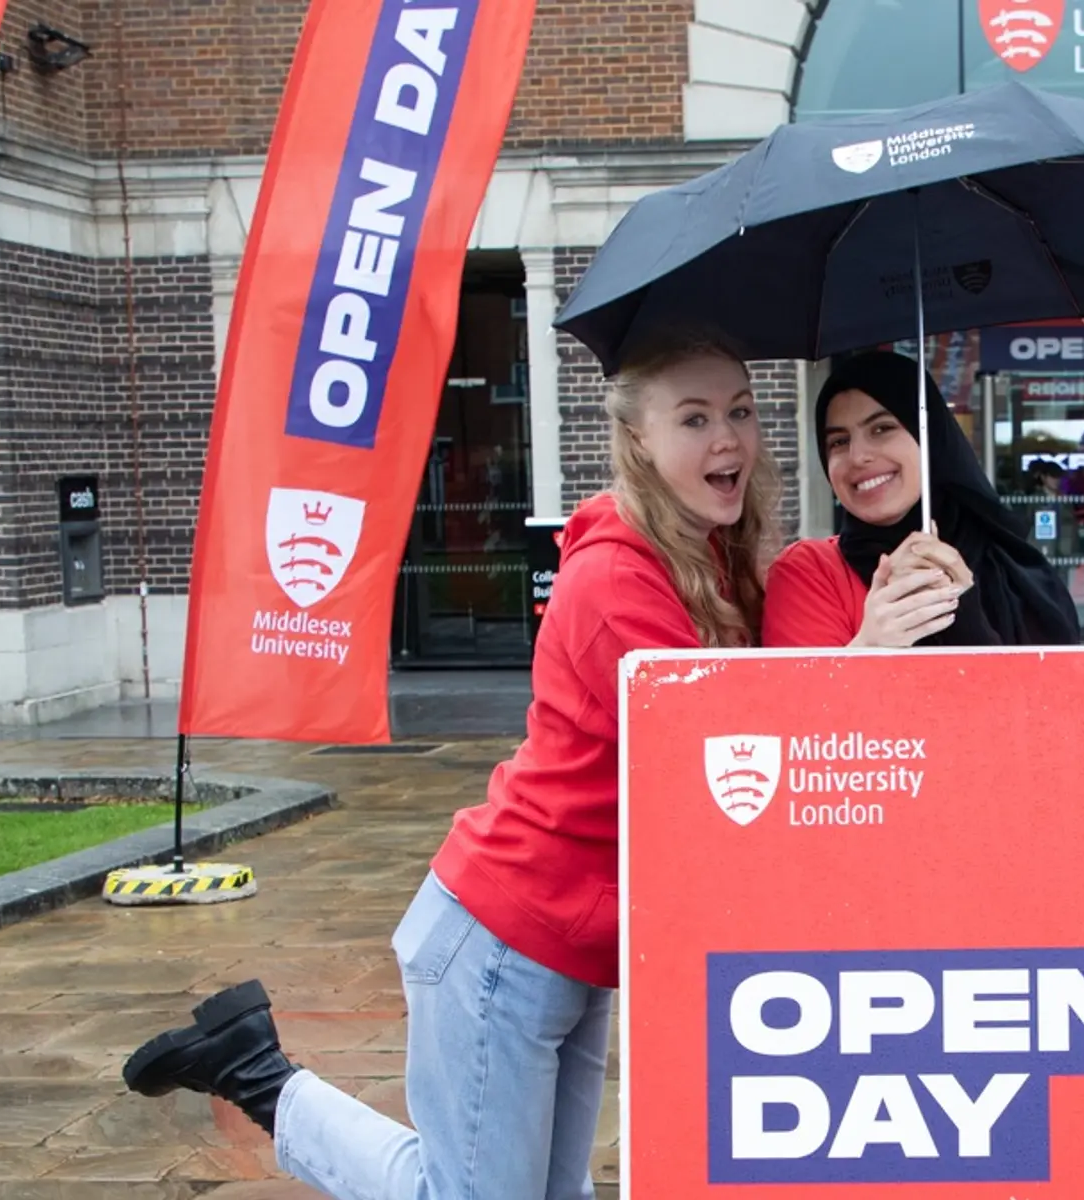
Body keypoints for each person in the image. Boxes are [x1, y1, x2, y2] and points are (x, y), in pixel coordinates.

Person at [119, 329, 786, 1200]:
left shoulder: (706, 563)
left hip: (573, 942)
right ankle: (258, 1075)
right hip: (504, 937)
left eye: (739, 410)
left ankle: (253, 1064)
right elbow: (721, 742)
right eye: (693, 418)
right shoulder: (614, 584)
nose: (727, 438)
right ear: (637, 441)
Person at [763, 349, 1081, 648]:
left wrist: (966, 621)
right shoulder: (812, 573)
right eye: (838, 441)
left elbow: (1059, 698)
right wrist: (867, 647)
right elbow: (800, 705)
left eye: (881, 428)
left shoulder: (1014, 569)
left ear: (931, 438)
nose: (857, 456)